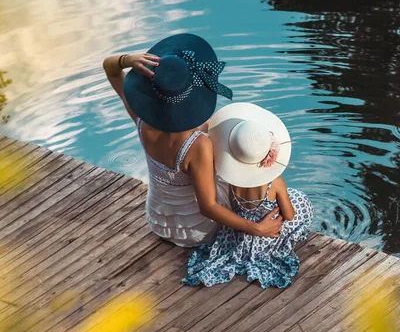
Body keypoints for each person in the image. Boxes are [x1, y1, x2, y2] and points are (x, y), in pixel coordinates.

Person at [103, 33, 283, 247]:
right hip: (195, 231)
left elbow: (110, 69)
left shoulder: (141, 120)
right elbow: (207, 207)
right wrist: (256, 229)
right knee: (239, 160)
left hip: (158, 221)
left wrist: (127, 60)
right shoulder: (198, 146)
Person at [183, 102, 313, 288]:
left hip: (238, 231)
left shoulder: (232, 180)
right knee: (300, 200)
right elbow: (289, 215)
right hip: (266, 233)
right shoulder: (275, 182)